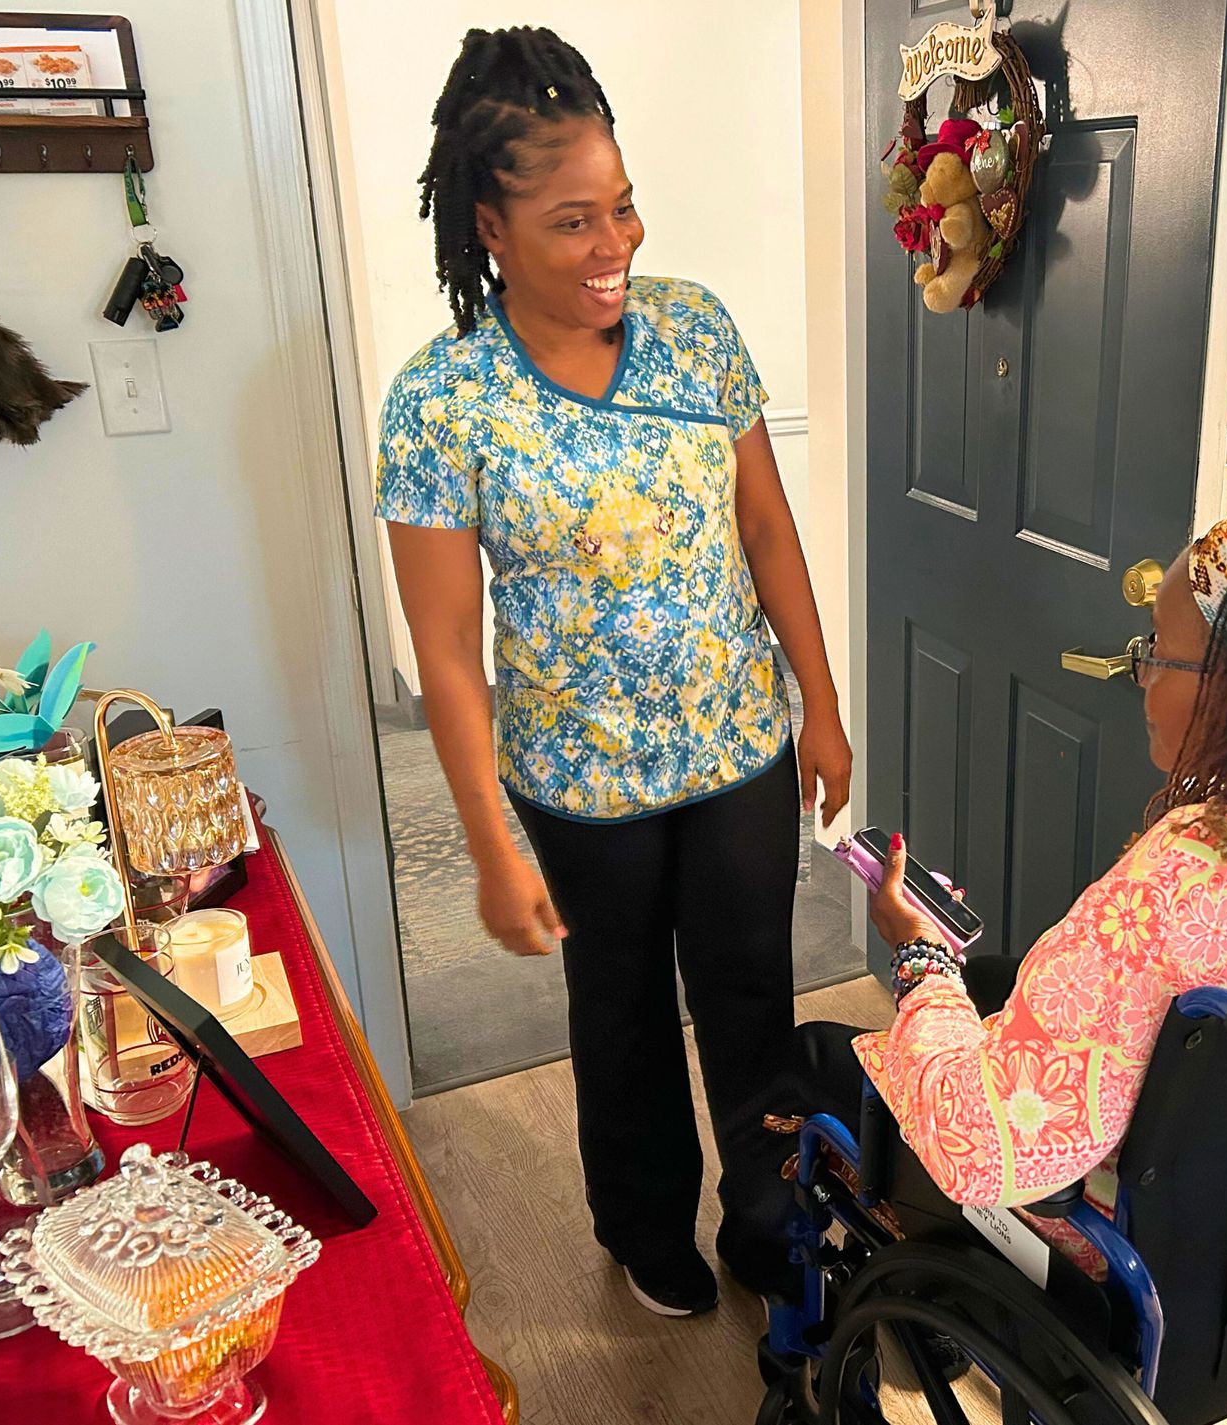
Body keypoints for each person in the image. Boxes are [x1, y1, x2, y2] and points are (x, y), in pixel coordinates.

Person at [377, 26, 850, 1315]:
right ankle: (647, 1229)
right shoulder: (445, 401)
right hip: (578, 785)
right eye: (575, 220)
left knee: (752, 996)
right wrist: (487, 839)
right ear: (490, 226)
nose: (617, 247)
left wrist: (821, 703)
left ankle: (768, 1221)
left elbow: (765, 527)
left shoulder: (696, 332)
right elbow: (445, 648)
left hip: (736, 743)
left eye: (626, 207)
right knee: (626, 1018)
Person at [798, 507, 1227, 1253]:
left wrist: (920, 960)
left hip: (1133, 1256)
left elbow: (979, 1145)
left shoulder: (1186, 884)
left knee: (815, 1053)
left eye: (1159, 652)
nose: (1140, 674)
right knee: (999, 977)